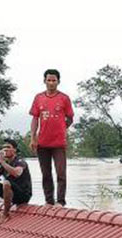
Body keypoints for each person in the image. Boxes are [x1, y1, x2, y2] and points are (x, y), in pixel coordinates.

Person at [29, 69, 74, 206]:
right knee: (46, 174)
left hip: (59, 143)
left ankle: (60, 201)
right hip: (42, 143)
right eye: (49, 80)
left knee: (61, 173)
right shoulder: (38, 98)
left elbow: (70, 118)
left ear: (58, 82)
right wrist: (33, 138)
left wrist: (61, 128)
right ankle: (49, 201)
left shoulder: (64, 98)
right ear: (44, 81)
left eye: (54, 80)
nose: (51, 83)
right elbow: (35, 119)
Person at [0, 139, 32, 226]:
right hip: (10, 191)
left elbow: (17, 173)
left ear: (14, 150)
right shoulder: (5, 164)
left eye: (8, 147)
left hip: (22, 194)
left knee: (6, 183)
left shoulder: (20, 162)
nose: (5, 150)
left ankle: (5, 214)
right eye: (4, 148)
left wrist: (2, 162)